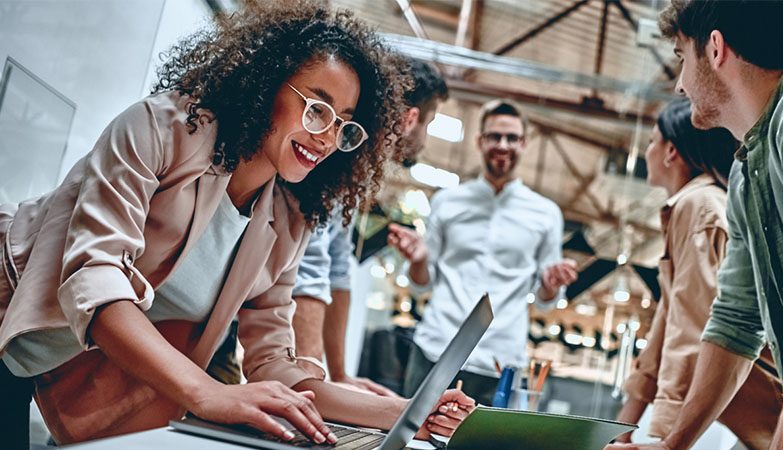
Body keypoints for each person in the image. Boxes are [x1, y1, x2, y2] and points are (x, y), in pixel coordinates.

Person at [0, 2, 472, 448]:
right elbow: (95, 278)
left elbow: (273, 365)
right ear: (266, 86)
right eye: (317, 109)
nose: (326, 137)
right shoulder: (161, 129)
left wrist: (408, 411)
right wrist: (207, 392)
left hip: (58, 367)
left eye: (343, 124)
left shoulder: (288, 220)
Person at [606, 1, 783, 449]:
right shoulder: (748, 171)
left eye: (681, 58)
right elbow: (734, 320)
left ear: (715, 49)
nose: (679, 84)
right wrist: (673, 444)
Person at [610, 99, 783, 448]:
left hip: (738, 413)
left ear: (671, 150)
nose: (646, 151)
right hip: (729, 414)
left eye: (650, 142)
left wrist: (668, 435)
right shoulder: (693, 206)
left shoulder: (699, 206)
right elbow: (667, 322)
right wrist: (622, 426)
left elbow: (691, 328)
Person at [388, 99, 579, 406]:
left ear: (524, 143)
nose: (503, 145)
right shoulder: (447, 201)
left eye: (512, 138)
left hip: (500, 361)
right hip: (436, 349)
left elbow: (546, 302)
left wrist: (550, 284)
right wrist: (420, 260)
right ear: (479, 141)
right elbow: (421, 283)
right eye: (494, 136)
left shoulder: (546, 214)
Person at [291, 58, 448, 396]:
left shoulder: (359, 171)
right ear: (410, 119)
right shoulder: (339, 156)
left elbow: (337, 268)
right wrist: (314, 385)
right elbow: (311, 267)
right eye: (430, 123)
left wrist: (338, 375)